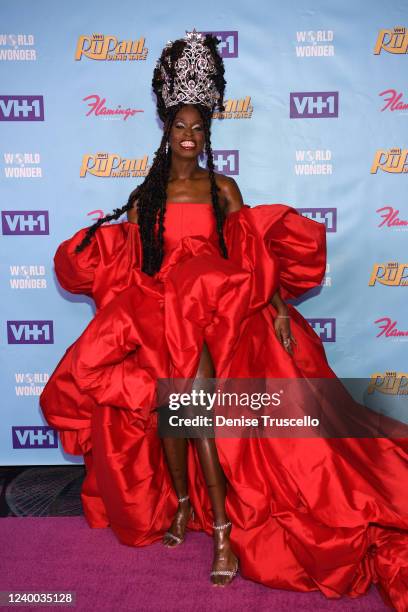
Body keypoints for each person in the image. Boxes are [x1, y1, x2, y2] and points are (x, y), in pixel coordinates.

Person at [40, 30, 408, 607]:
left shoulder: (223, 190)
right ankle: (185, 504)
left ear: (209, 133)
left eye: (199, 128)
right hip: (166, 315)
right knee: (172, 407)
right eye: (180, 126)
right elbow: (138, 269)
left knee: (199, 409)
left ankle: (220, 535)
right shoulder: (147, 199)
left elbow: (251, 263)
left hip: (221, 317)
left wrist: (278, 310)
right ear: (167, 129)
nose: (189, 136)